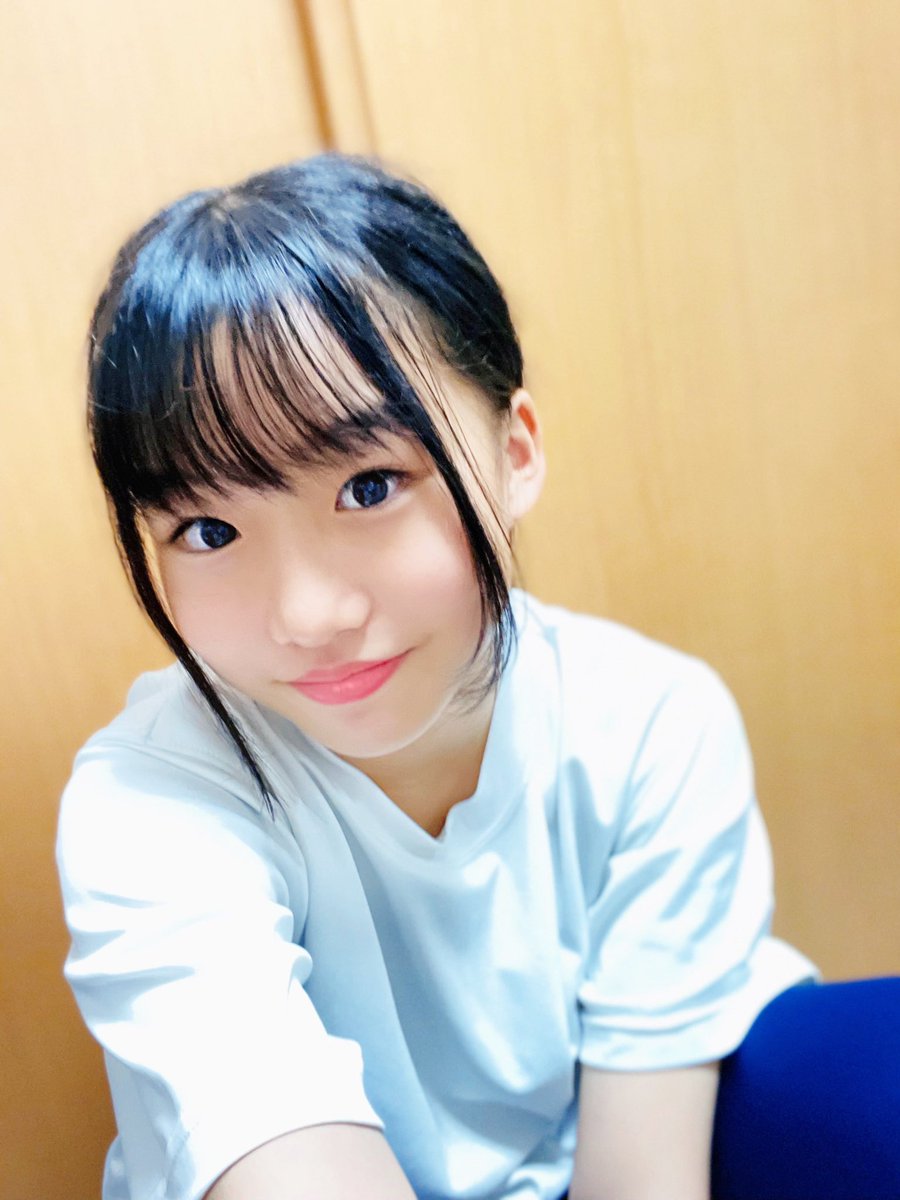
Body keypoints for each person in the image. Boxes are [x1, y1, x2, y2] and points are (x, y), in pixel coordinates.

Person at [57, 153, 885, 1200]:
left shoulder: (648, 724)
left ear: (515, 451)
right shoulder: (151, 804)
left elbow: (641, 1178)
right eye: (209, 530)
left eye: (369, 486)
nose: (308, 616)